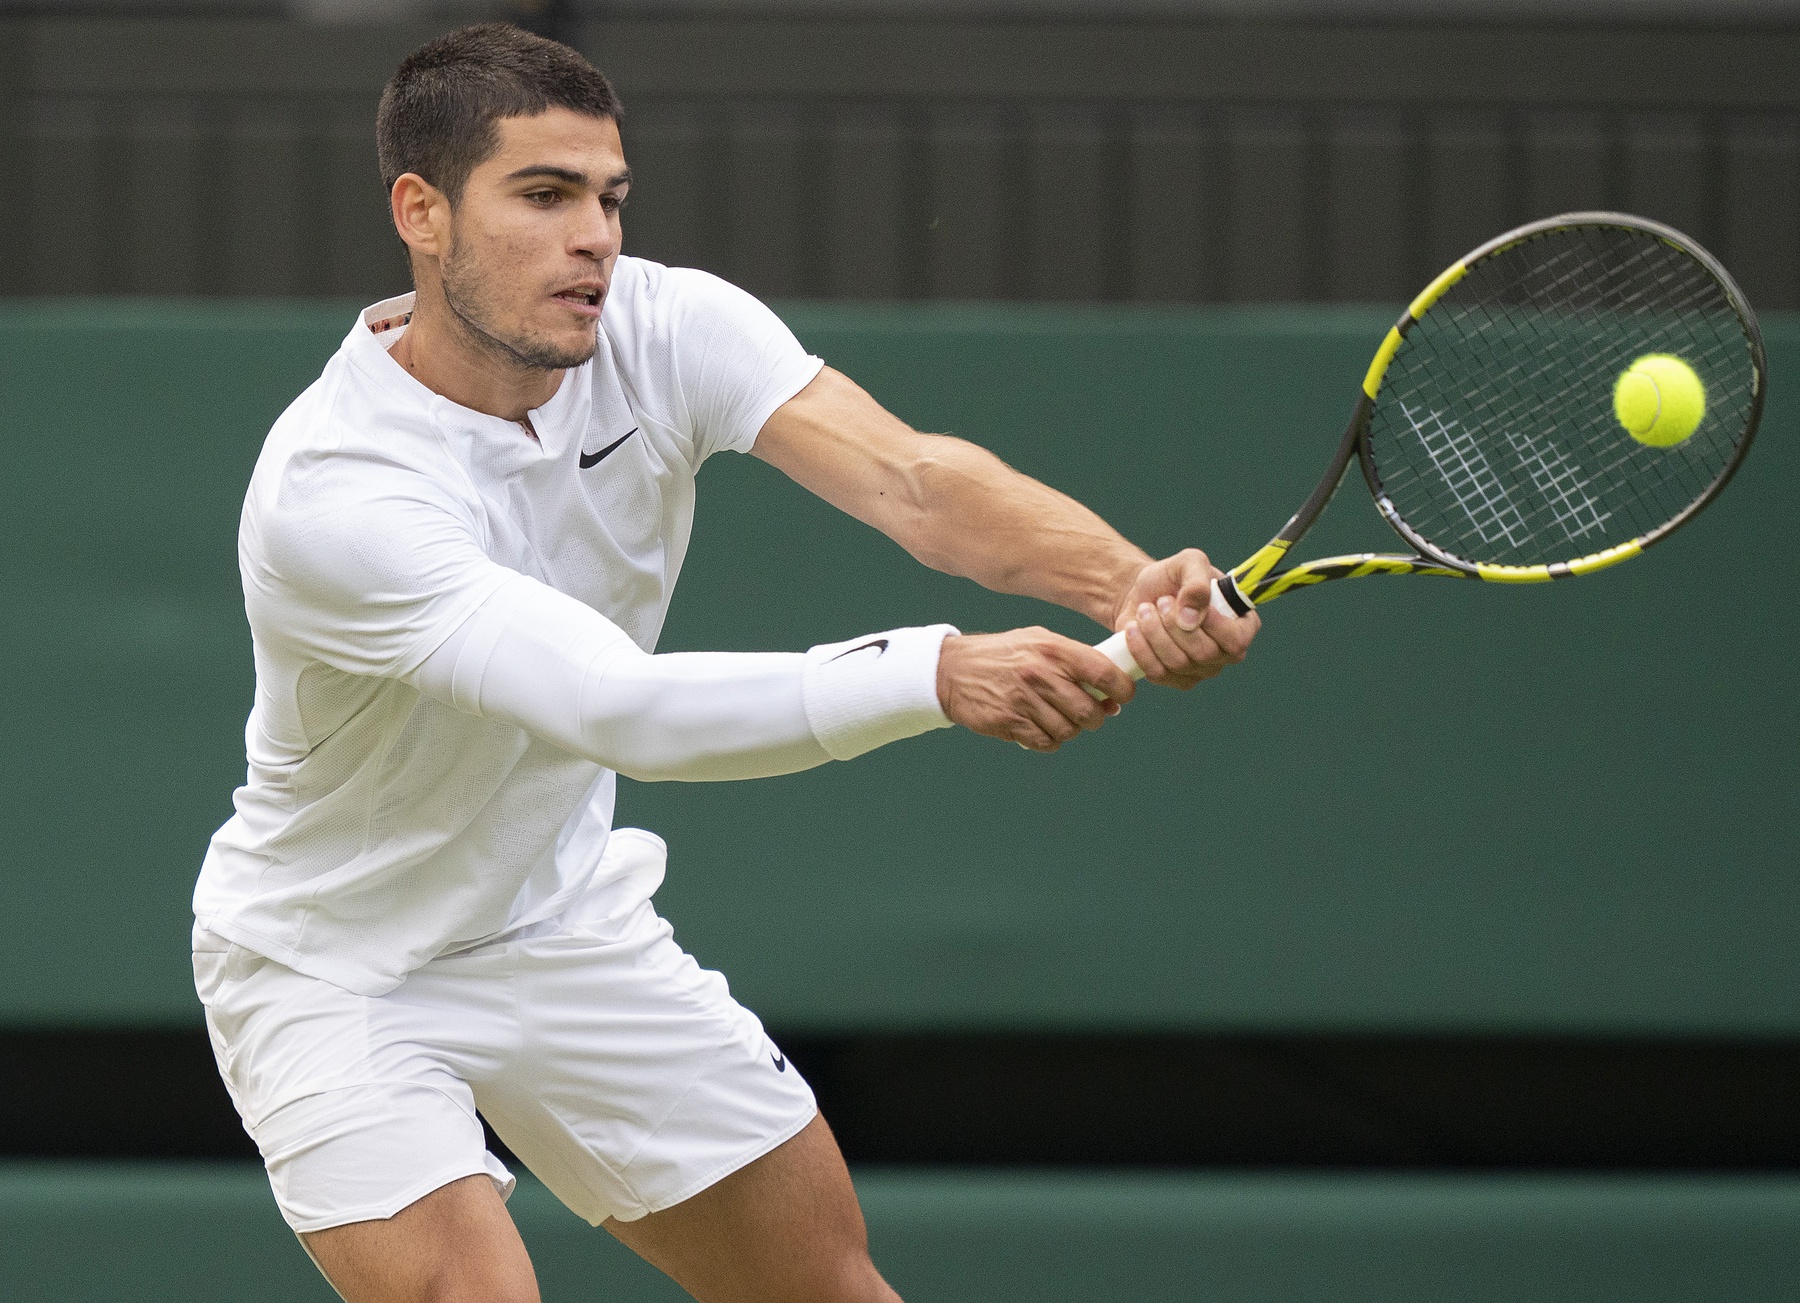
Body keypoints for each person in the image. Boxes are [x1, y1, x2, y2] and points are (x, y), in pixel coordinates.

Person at [192, 22, 1259, 1303]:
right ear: (422, 213)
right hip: (333, 967)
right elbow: (615, 709)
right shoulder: (341, 491)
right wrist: (931, 672)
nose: (594, 235)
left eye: (609, 197)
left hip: (557, 918)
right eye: (543, 195)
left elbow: (915, 482)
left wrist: (1125, 582)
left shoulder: (666, 325)